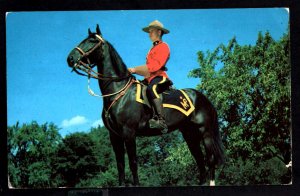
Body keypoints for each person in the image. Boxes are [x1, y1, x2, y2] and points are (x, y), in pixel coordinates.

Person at [128, 20, 172, 134]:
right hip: (149, 78)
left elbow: (155, 66)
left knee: (151, 89)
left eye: (151, 31)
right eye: (149, 32)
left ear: (159, 32)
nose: (149, 34)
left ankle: (161, 120)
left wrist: (135, 69)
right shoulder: (151, 49)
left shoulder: (164, 46)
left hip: (159, 77)